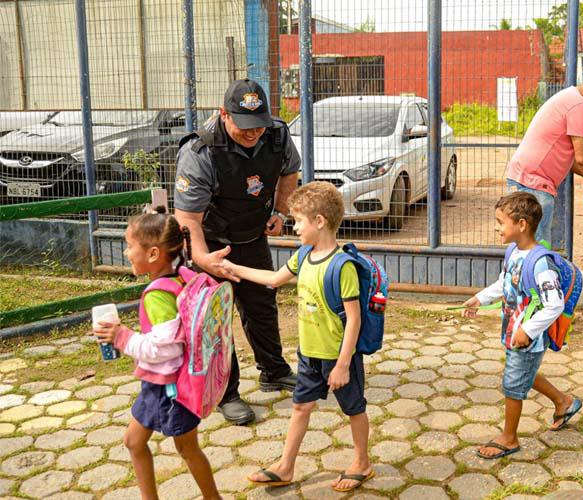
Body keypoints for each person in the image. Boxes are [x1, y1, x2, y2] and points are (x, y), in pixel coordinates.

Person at [216, 182, 373, 493]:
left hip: (337, 357)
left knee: (354, 409)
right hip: (309, 354)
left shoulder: (342, 266)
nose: (294, 225)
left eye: (299, 220)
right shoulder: (304, 255)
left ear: (319, 222)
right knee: (301, 407)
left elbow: (354, 320)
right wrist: (233, 267)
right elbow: (273, 279)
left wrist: (343, 365)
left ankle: (362, 462)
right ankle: (286, 466)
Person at [173, 79, 301, 425]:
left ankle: (273, 371)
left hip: (251, 235)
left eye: (259, 123)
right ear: (223, 114)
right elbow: (187, 218)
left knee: (261, 304)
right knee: (215, 318)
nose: (253, 132)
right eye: (244, 126)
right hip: (211, 243)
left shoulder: (276, 135)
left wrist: (279, 212)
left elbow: (290, 172)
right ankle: (225, 393)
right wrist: (201, 258)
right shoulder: (199, 152)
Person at [93, 209, 221, 500]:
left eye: (129, 246)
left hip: (168, 389)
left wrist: (121, 337)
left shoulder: (158, 295)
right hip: (170, 384)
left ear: (152, 254)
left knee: (184, 448)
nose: (126, 253)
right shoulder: (183, 275)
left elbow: (164, 350)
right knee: (135, 442)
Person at [460, 192, 583, 460]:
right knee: (524, 372)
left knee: (513, 384)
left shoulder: (540, 264)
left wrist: (527, 330)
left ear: (522, 224)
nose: (496, 228)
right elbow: (505, 283)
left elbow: (554, 304)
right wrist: (480, 298)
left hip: (529, 336)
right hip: (514, 329)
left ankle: (509, 437)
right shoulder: (513, 252)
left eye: (500, 222)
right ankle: (564, 402)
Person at [506, 69, 583, 243]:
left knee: (524, 247)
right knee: (535, 250)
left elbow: (571, 160)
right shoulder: (579, 106)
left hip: (524, 179)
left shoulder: (569, 97)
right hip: (534, 184)